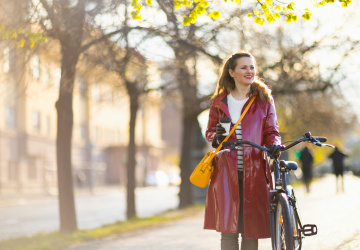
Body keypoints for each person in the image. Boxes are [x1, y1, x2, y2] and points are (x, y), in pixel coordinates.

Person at [204, 51, 282, 250]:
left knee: (251, 232)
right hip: (225, 173)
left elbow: (272, 130)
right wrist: (217, 137)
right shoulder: (219, 102)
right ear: (232, 72)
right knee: (228, 231)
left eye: (252, 67)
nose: (250, 71)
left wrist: (274, 143)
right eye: (244, 67)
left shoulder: (264, 99)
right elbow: (211, 132)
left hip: (255, 171)